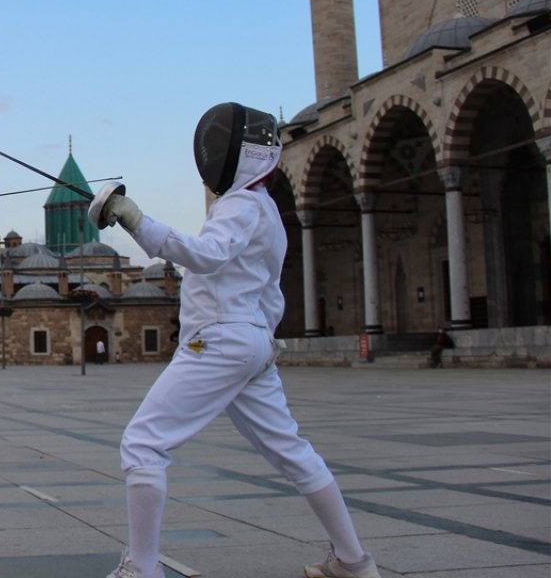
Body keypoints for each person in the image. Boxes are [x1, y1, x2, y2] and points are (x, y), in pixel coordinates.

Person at [89, 103, 381, 578]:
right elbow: (263, 291)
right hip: (251, 344)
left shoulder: (241, 205)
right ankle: (353, 562)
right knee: (293, 452)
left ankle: (141, 569)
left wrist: (135, 220)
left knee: (142, 444)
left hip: (221, 343)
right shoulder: (262, 208)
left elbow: (205, 254)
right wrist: (260, 346)